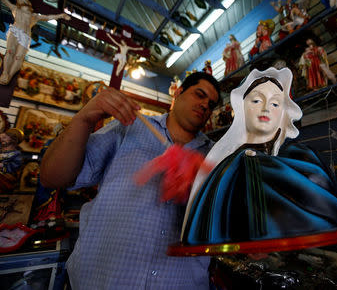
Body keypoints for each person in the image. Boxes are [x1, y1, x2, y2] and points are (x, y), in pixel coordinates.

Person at [40, 72, 221, 289]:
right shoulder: (130, 128)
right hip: (100, 281)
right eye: (199, 95)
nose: (205, 105)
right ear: (179, 92)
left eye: (211, 104)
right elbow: (52, 177)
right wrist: (85, 118)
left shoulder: (216, 155)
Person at [178, 67, 337, 254]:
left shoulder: (301, 159)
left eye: (275, 104)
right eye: (257, 100)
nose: (265, 108)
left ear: (284, 113)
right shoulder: (227, 169)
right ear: (242, 107)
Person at [0, 0, 70, 85]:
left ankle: (10, 75)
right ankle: (5, 73)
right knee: (10, 51)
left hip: (25, 36)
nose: (22, 0)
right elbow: (4, 0)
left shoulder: (34, 16)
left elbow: (48, 17)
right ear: (19, 3)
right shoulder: (15, 9)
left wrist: (61, 15)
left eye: (25, 0)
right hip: (15, 31)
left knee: (19, 57)